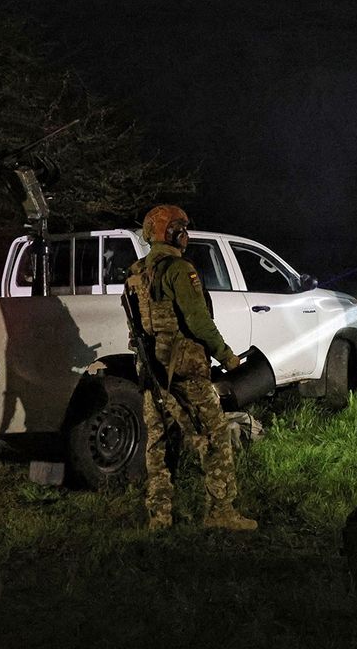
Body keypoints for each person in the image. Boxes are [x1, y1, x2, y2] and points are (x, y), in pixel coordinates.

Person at [125, 204, 256, 531]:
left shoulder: (136, 273)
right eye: (182, 228)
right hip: (184, 369)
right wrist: (226, 355)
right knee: (215, 435)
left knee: (158, 443)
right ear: (172, 233)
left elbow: (138, 326)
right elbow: (198, 321)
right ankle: (220, 511)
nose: (186, 234)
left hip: (153, 371)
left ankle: (160, 516)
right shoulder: (180, 270)